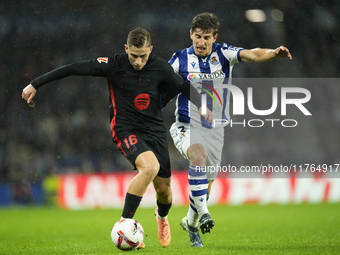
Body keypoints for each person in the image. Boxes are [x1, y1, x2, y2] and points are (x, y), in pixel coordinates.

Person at [22, 27, 212, 249]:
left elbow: (183, 86)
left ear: (150, 50)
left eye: (143, 56)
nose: (138, 61)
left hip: (155, 130)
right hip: (125, 129)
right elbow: (74, 68)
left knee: (164, 191)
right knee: (149, 168)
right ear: (126, 49)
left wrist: (202, 105)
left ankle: (161, 218)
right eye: (133, 56)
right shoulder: (113, 64)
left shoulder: (160, 67)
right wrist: (35, 83)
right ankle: (126, 223)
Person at [169, 12, 292, 247]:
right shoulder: (179, 59)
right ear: (190, 35)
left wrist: (273, 54)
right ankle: (205, 215)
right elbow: (160, 77)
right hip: (186, 125)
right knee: (197, 154)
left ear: (215, 37)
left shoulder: (224, 53)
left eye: (206, 37)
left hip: (215, 129)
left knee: (205, 187)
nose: (201, 42)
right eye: (197, 37)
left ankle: (191, 223)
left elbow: (254, 54)